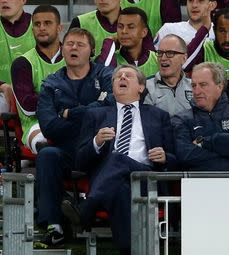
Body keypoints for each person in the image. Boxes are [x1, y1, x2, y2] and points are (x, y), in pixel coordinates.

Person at [61, 64, 176, 255]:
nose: (121, 77)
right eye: (117, 77)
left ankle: (85, 210)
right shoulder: (95, 115)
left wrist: (165, 157)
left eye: (128, 76)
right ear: (113, 87)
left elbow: (175, 159)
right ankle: (128, 250)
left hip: (147, 178)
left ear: (141, 87)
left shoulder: (158, 115)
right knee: (120, 189)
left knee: (117, 159)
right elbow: (79, 162)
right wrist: (96, 142)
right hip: (110, 182)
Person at [34, 28, 114, 248]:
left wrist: (70, 113)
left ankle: (85, 212)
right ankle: (54, 226)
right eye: (69, 44)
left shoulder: (106, 76)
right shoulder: (51, 84)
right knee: (47, 154)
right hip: (68, 149)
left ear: (92, 51)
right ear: (62, 48)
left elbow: (110, 109)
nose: (74, 48)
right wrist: (89, 115)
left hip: (100, 147)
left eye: (80, 44)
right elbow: (50, 127)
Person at [172, 62, 229, 170]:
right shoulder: (182, 119)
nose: (196, 91)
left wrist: (202, 142)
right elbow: (185, 155)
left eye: (203, 85)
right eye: (193, 85)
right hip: (198, 184)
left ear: (219, 86)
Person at [11, 5, 65, 154]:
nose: (41, 28)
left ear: (59, 28)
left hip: (71, 119)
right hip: (36, 124)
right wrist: (67, 100)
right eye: (37, 24)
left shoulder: (73, 57)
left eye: (47, 23)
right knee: (46, 147)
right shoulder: (22, 63)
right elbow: (28, 107)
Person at [96, 7, 158, 77]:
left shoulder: (157, 60)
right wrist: (109, 43)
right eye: (120, 26)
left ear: (144, 32)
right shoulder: (110, 57)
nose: (124, 31)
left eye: (131, 27)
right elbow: (101, 76)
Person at [144, 34, 192, 117]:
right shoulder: (146, 86)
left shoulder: (194, 86)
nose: (163, 58)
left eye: (170, 53)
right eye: (160, 53)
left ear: (184, 58)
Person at [0, 0, 35, 111]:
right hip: (2, 95)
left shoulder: (39, 24)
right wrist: (1, 86)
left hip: (35, 94)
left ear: (23, 0)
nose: (3, 1)